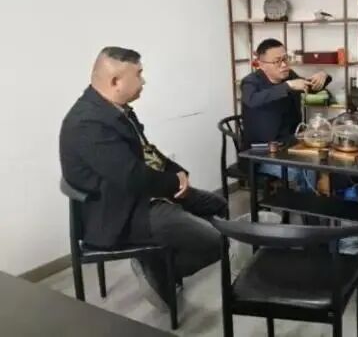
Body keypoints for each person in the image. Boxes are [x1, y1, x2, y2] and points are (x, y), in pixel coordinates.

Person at [60, 47, 227, 311]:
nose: (144, 80)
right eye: (138, 74)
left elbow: (147, 152)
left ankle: (160, 263)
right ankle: (161, 269)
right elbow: (132, 177)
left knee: (218, 206)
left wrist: (177, 171)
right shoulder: (87, 123)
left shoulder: (117, 110)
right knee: (217, 242)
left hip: (140, 194)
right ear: (116, 81)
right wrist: (175, 184)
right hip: (120, 210)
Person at [240, 38, 331, 191]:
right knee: (302, 171)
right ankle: (306, 204)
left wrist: (324, 75)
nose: (284, 65)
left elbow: (310, 87)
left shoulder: (289, 76)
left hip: (290, 144)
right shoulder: (251, 82)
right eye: (277, 61)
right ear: (261, 64)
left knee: (321, 160)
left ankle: (313, 202)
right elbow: (251, 100)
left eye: (285, 59)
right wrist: (287, 86)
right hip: (261, 154)